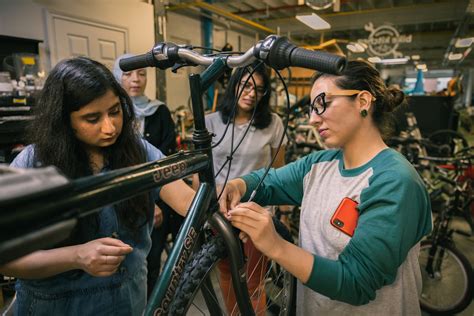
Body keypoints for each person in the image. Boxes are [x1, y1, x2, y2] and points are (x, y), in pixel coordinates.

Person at [220, 60, 432, 315]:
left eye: (322, 104)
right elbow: (270, 181)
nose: (312, 119)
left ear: (363, 101)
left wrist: (276, 246)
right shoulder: (319, 165)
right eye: (311, 108)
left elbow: (358, 282)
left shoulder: (395, 181)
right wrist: (236, 185)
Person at [0, 57, 195, 315]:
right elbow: (7, 260)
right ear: (63, 119)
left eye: (115, 111)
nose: (110, 127)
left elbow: (185, 199)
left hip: (127, 301)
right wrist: (77, 256)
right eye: (92, 118)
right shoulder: (32, 164)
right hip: (57, 306)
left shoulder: (138, 150)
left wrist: (223, 206)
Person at [204, 61, 287, 314]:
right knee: (228, 275)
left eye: (259, 90)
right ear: (234, 85)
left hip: (255, 210)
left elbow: (279, 172)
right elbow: (202, 173)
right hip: (220, 211)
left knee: (253, 281)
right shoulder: (210, 122)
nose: (252, 94)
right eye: (246, 85)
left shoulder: (273, 124)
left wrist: (282, 212)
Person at [113, 55, 183, 296]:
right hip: (120, 202)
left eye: (142, 73)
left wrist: (153, 202)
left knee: (151, 263)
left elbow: (166, 160)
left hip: (157, 201)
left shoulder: (159, 112)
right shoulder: (112, 116)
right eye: (128, 73)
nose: (136, 79)